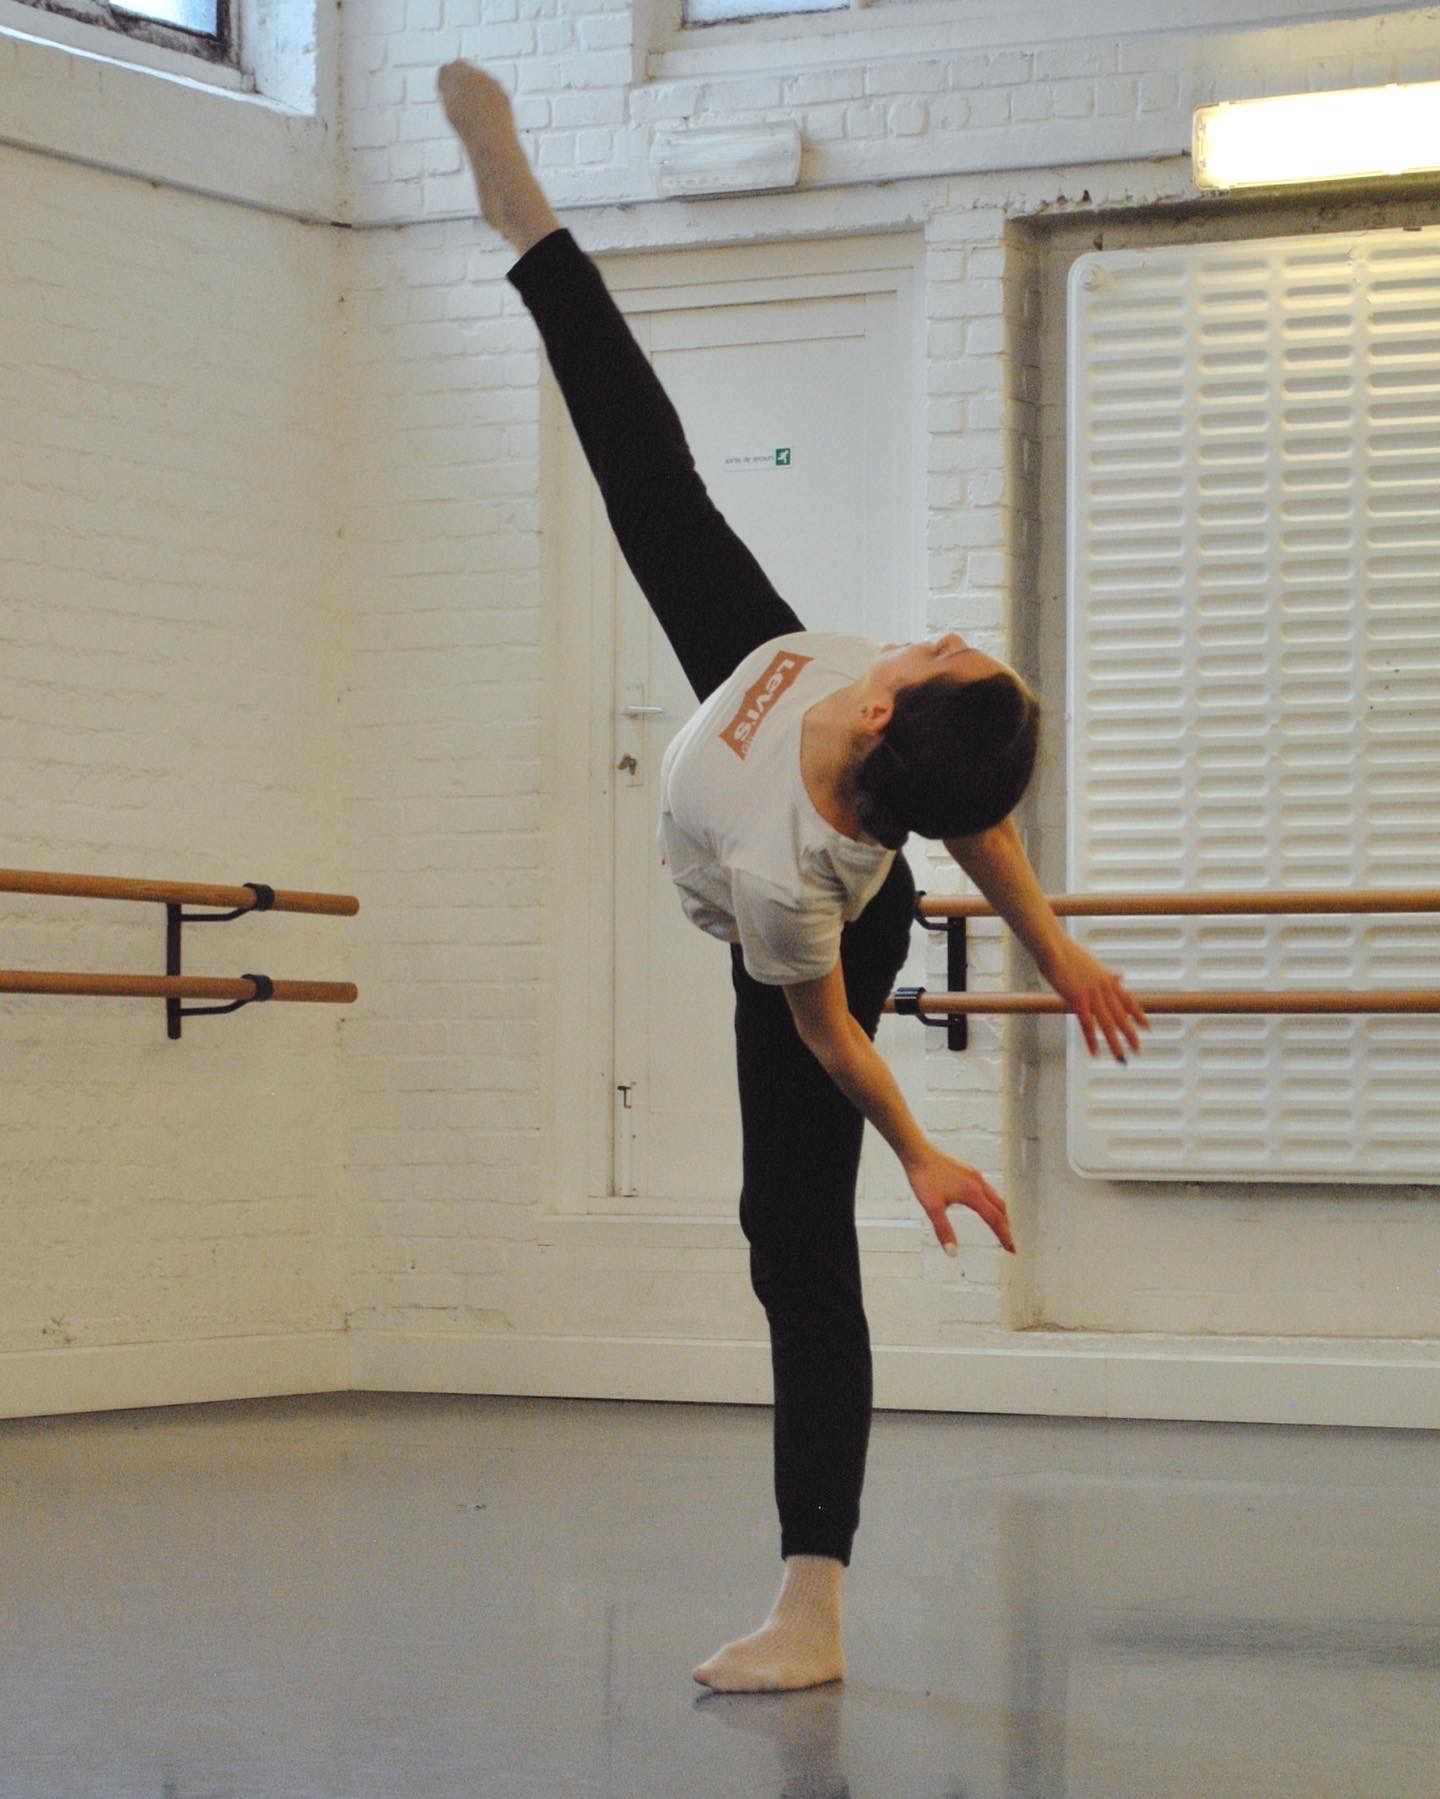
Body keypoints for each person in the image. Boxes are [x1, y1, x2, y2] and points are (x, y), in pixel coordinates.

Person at [436, 62, 1149, 1694]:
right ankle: (524, 212)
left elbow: (834, 1031)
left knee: (789, 1232)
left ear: (892, 697)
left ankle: (811, 1603)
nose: (953, 634)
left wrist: (914, 1146)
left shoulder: (800, 874)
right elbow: (968, 805)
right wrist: (1058, 948)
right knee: (648, 471)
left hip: (817, 934)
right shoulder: (832, 691)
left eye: (959, 654)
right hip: (759, 701)